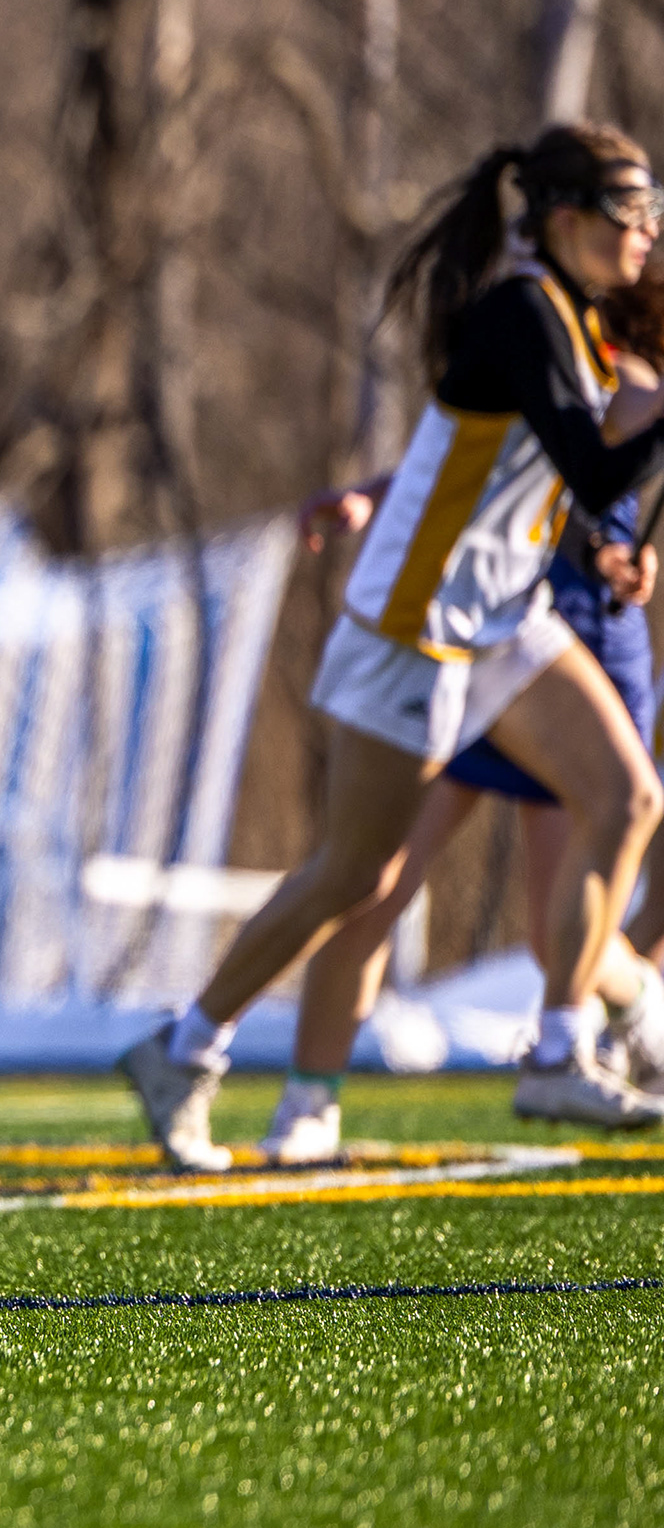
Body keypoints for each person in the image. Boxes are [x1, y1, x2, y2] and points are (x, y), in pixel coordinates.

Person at [122, 124, 664, 1172]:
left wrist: (602, 549)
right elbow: (594, 467)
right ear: (564, 219)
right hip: (415, 623)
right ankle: (184, 1047)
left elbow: (541, 483)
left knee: (630, 797)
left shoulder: (576, 321)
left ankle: (561, 1050)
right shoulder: (523, 310)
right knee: (352, 873)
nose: (647, 233)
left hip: (503, 619)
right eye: (630, 213)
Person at [260, 270, 664, 1164]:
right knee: (377, 880)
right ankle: (308, 1102)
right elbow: (485, 469)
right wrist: (375, 494)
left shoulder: (627, 378)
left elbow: (598, 475)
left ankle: (629, 1019)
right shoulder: (566, 354)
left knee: (561, 926)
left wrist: (625, 557)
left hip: (573, 654)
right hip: (486, 639)